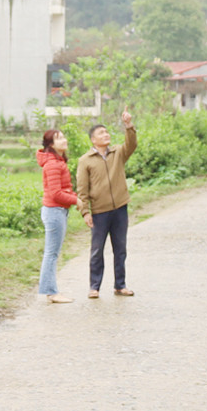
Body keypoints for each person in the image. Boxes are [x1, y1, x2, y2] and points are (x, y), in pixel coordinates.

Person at [75, 109, 137, 298]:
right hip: (99, 211)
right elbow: (82, 189)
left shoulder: (118, 152)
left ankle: (120, 285)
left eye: (107, 132)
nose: (106, 135)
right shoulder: (85, 161)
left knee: (120, 249)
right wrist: (85, 212)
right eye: (101, 133)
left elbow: (132, 145)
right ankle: (94, 286)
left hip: (120, 207)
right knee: (97, 250)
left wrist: (128, 126)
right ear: (93, 140)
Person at [36, 129, 79, 303]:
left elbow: (64, 189)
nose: (64, 140)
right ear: (51, 145)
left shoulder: (58, 161)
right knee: (51, 253)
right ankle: (52, 292)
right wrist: (78, 201)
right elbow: (56, 193)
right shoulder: (53, 164)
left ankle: (51, 291)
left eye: (63, 137)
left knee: (52, 253)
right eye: (59, 138)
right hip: (54, 211)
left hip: (57, 211)